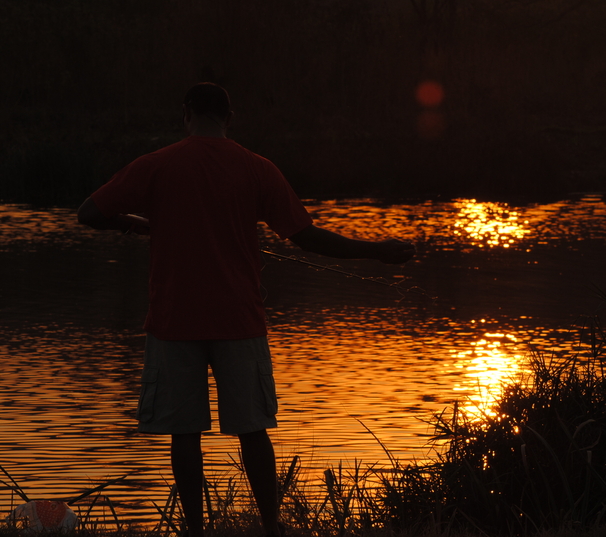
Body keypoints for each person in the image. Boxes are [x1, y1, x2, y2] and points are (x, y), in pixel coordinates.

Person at [77, 82, 415, 537]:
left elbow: (89, 212)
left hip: (174, 321)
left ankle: (195, 530)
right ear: (229, 118)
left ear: (186, 115)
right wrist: (377, 250)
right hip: (239, 320)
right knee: (253, 430)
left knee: (185, 434)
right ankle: (270, 526)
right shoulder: (258, 169)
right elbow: (307, 237)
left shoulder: (154, 166)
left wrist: (135, 225)